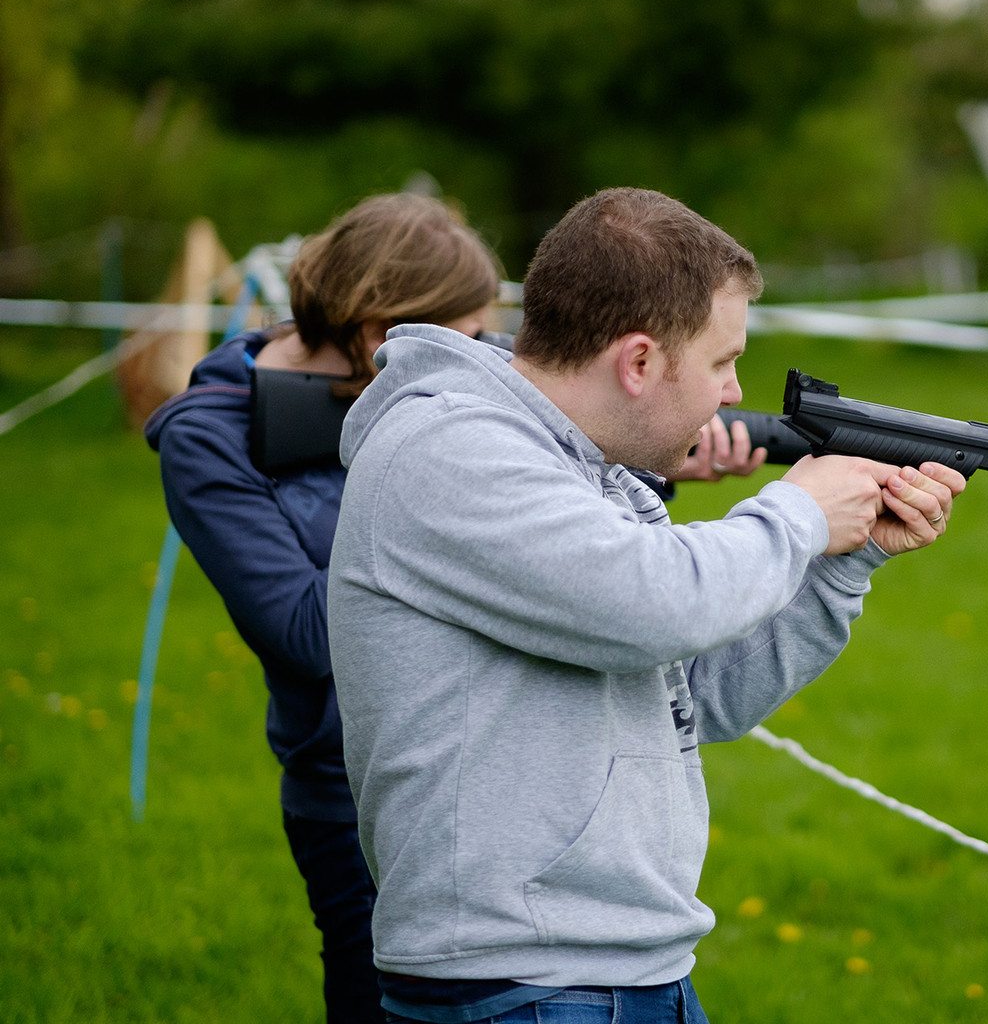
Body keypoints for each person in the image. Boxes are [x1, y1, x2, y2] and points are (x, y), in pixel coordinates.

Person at [327, 187, 966, 1024]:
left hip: (624, 968)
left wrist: (848, 563)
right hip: (517, 986)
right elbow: (658, 601)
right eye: (720, 361)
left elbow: (707, 692)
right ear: (637, 362)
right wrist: (799, 510)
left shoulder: (588, 471)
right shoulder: (451, 451)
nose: (734, 393)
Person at [144, 192, 762, 1024]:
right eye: (465, 337)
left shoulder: (459, 433)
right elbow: (297, 625)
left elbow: (553, 551)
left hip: (515, 767)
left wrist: (635, 472)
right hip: (350, 777)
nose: (486, 357)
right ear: (379, 338)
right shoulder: (215, 435)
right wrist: (450, 543)